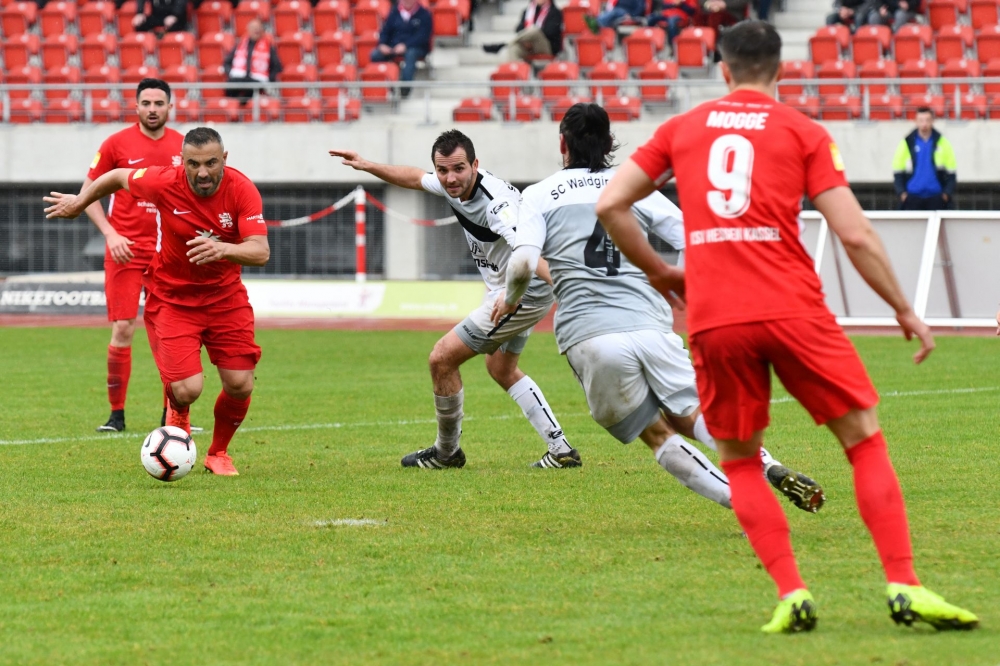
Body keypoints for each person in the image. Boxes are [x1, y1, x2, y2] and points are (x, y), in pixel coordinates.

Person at [595, 20, 978, 633]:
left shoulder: (680, 130)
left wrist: (664, 274)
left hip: (717, 317)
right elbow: (853, 232)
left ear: (723, 70)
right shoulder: (802, 130)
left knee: (742, 461)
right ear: (780, 71)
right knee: (863, 440)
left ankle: (792, 593)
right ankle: (904, 585)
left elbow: (610, 204)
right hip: (792, 307)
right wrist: (904, 308)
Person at [497, 102, 825, 514]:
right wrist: (683, 289)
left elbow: (524, 262)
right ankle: (767, 464)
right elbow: (690, 236)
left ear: (562, 143)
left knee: (658, 434)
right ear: (609, 143)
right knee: (694, 414)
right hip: (652, 325)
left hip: (591, 335)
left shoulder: (539, 195)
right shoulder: (631, 186)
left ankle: (746, 502)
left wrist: (509, 301)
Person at [329, 131, 579, 470]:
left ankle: (446, 453)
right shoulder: (452, 183)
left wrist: (564, 290)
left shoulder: (498, 206)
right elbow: (415, 178)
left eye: (458, 169)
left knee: (442, 359)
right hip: (514, 289)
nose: (449, 178)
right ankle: (561, 449)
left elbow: (529, 252)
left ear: (475, 165)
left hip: (522, 291)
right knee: (500, 368)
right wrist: (366, 165)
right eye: (442, 170)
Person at [45, 128, 271, 477]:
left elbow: (261, 250)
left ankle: (218, 453)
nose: (204, 172)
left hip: (225, 298)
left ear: (225, 159)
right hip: (173, 298)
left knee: (240, 383)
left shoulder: (242, 190)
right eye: (194, 164)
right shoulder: (163, 181)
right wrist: (79, 202)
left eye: (212, 162)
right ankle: (177, 411)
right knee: (188, 388)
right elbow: (118, 176)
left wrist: (224, 249)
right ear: (183, 162)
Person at [83, 78, 183, 433]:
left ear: (171, 107)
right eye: (146, 103)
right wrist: (111, 234)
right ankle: (116, 415)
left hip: (168, 257)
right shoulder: (116, 143)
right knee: (123, 328)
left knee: (167, 334)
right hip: (125, 253)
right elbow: (88, 193)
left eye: (159, 103)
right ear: (136, 106)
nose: (152, 109)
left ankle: (171, 416)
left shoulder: (182, 146)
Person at [893, 107, 957, 211]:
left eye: (927, 120)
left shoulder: (943, 142)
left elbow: (951, 173)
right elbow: (898, 172)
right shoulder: (907, 143)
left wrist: (946, 195)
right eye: (921, 120)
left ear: (933, 121)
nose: (924, 124)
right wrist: (902, 194)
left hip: (936, 198)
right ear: (916, 121)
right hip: (912, 198)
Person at [370, 0, 433, 99]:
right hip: (394, 47)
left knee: (410, 54)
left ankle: (405, 88)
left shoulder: (424, 14)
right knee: (375, 55)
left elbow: (423, 36)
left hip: (416, 47)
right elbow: (385, 31)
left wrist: (406, 45)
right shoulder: (394, 13)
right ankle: (381, 89)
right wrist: (382, 44)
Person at [481, 0, 563, 64]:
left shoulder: (555, 12)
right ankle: (515, 80)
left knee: (534, 30)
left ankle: (503, 45)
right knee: (514, 48)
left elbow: (550, 32)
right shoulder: (528, 11)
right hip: (527, 45)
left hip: (545, 46)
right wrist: (526, 40)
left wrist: (531, 37)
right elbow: (518, 29)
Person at [225, 19, 283, 103]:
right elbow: (226, 62)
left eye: (258, 28)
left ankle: (243, 105)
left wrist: (268, 79)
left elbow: (277, 66)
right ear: (248, 29)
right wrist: (231, 72)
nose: (256, 30)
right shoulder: (240, 45)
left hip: (256, 80)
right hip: (238, 78)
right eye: (253, 28)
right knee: (230, 85)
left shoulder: (268, 47)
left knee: (251, 89)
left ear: (262, 30)